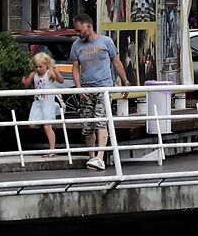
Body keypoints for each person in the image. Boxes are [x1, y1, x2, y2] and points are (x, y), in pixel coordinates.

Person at [67, 16, 126, 171]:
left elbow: (116, 62)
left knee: (101, 120)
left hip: (104, 87)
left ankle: (100, 157)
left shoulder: (106, 42)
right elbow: (75, 67)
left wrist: (125, 82)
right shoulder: (76, 45)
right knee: (87, 125)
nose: (78, 34)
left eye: (80, 30)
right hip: (86, 88)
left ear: (89, 27)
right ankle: (92, 157)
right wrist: (78, 87)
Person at [23, 50, 72, 157]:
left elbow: (61, 81)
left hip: (48, 102)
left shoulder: (49, 73)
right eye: (36, 67)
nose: (38, 69)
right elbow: (27, 83)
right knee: (32, 124)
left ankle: (52, 149)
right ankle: (45, 129)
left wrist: (57, 72)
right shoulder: (33, 74)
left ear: (46, 65)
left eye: (40, 67)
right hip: (38, 102)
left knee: (47, 126)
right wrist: (25, 81)